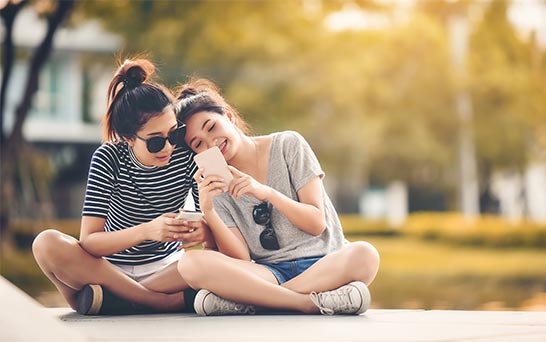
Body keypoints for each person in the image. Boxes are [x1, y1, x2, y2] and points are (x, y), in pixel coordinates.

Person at [175, 79, 380, 316]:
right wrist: (209, 211)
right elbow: (240, 258)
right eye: (198, 144)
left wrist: (266, 192)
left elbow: (316, 223)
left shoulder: (288, 144)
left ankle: (254, 302)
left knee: (365, 254)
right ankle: (309, 302)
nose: (212, 142)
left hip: (324, 262)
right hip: (269, 272)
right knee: (190, 264)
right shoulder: (215, 184)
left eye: (211, 128)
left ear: (229, 117)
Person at [32, 59, 212, 315]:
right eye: (155, 142)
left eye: (173, 134)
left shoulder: (186, 152)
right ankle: (157, 302)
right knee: (46, 243)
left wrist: (199, 229)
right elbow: (90, 242)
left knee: (211, 261)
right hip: (107, 270)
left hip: (167, 269)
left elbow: (211, 225)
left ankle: (110, 300)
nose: (169, 147)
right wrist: (147, 230)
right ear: (128, 138)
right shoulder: (109, 158)